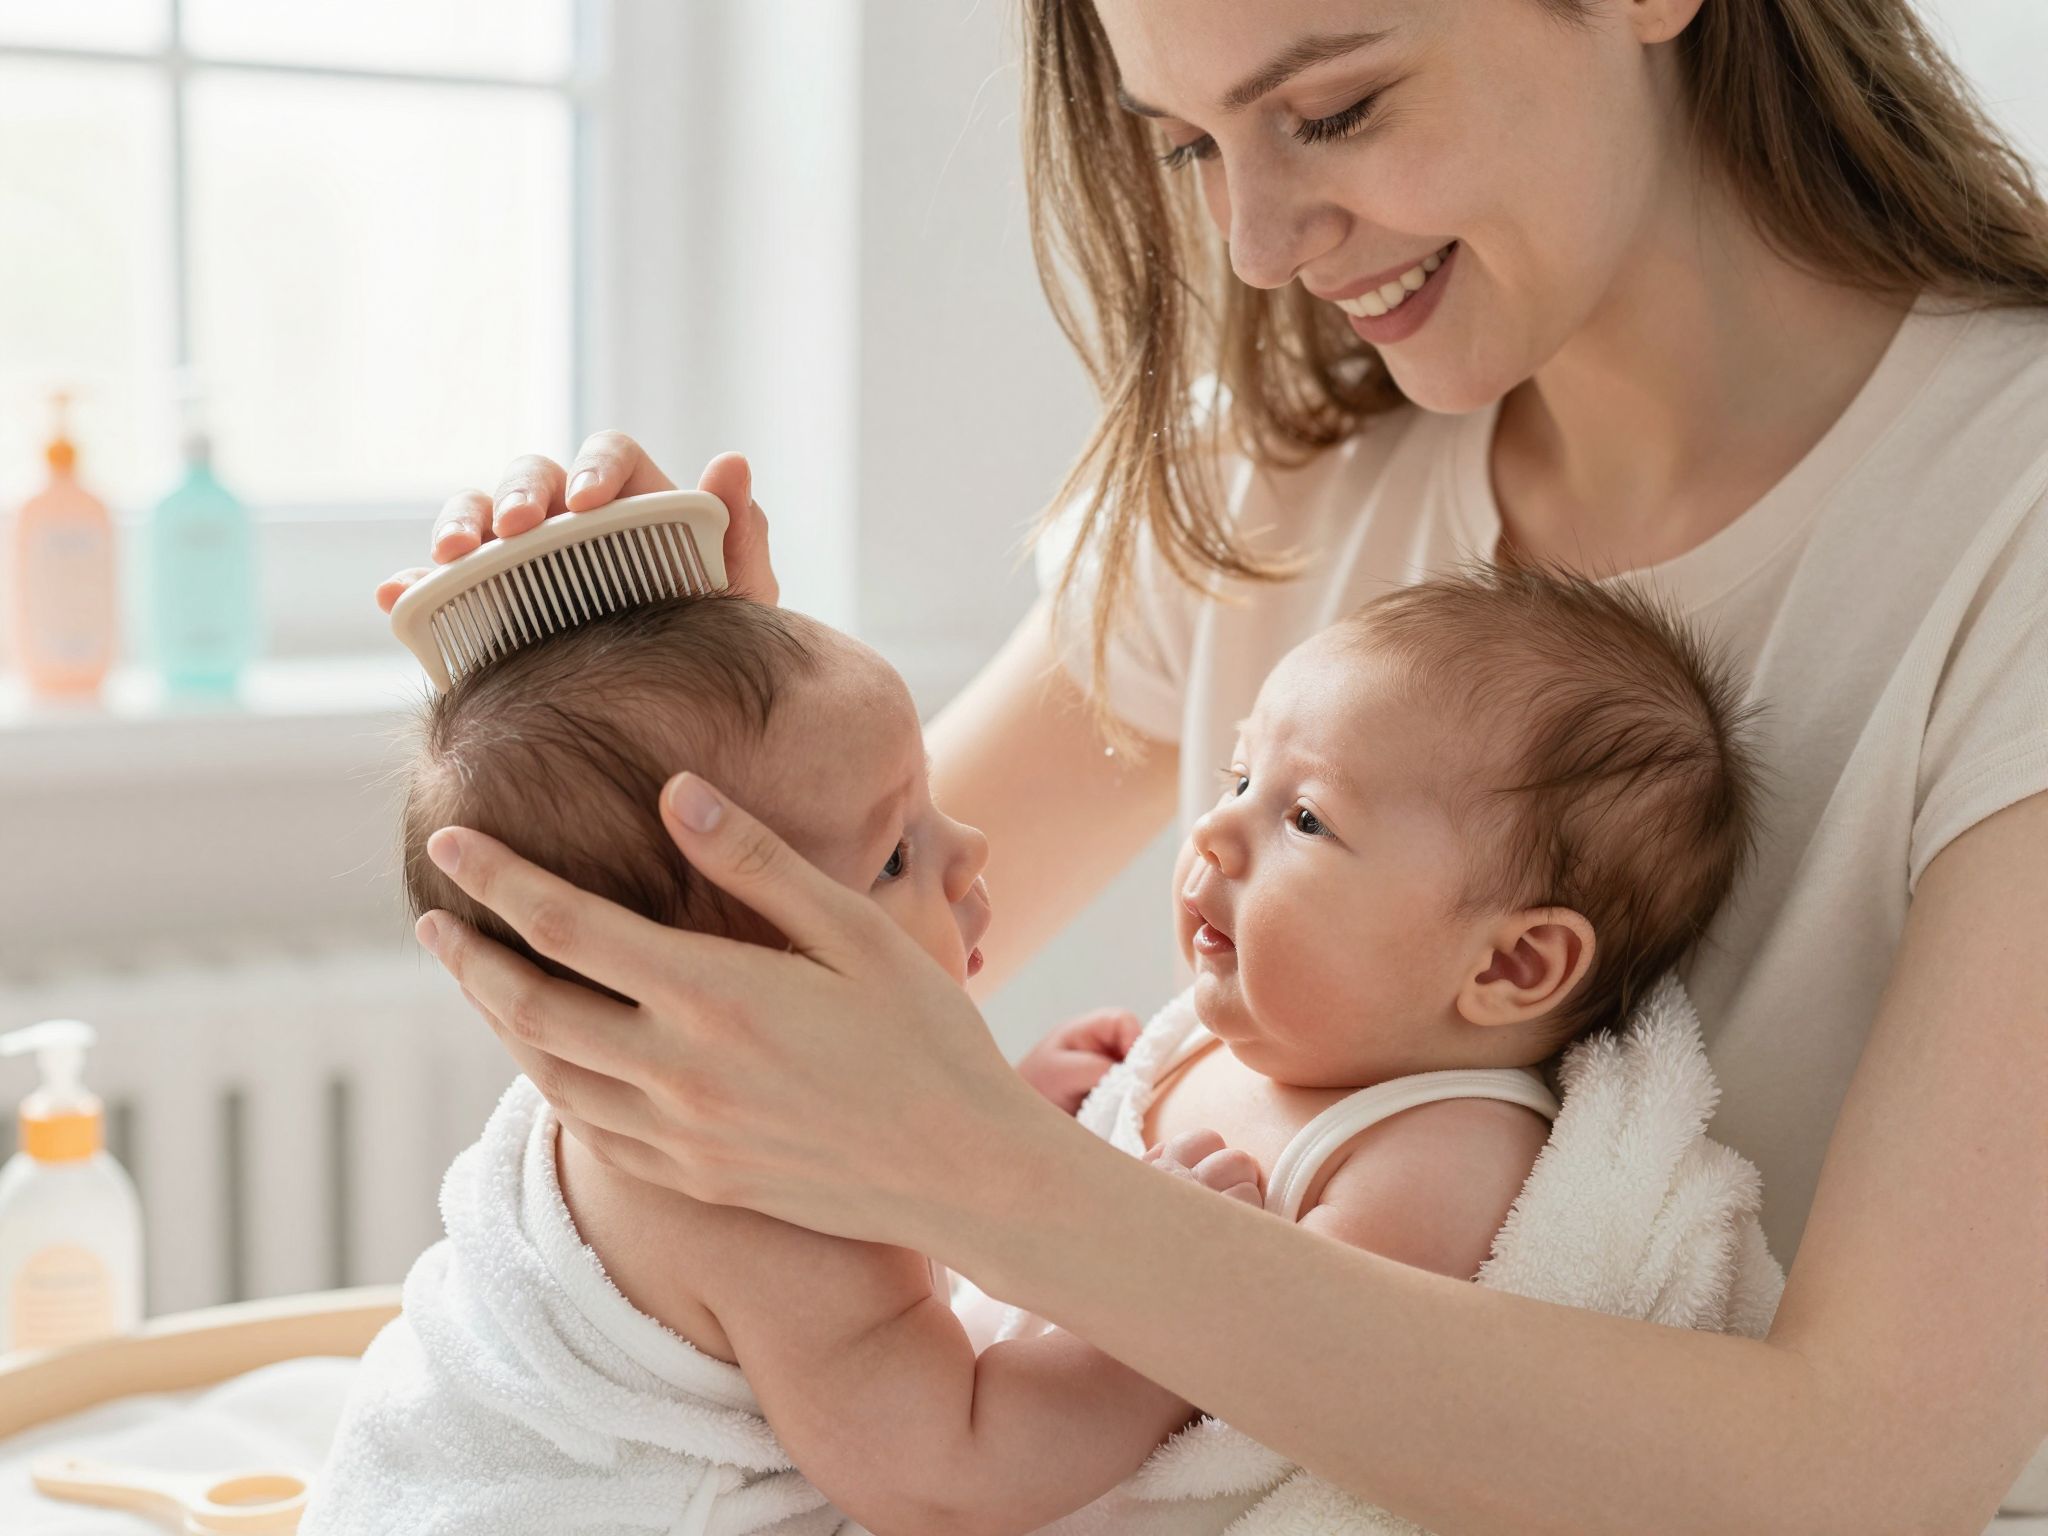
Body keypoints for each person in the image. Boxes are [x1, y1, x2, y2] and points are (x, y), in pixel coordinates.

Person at [381, 0, 2048, 1527]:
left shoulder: (2006, 514)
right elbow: (746, 1042)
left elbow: (1872, 1470)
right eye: (1185, 144)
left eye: (1330, 106)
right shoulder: (1275, 477)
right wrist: (700, 736)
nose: (1251, 244)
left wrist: (1007, 1183)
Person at [313, 594, 1215, 1536]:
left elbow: (919, 1195)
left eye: (927, 797)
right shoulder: (775, 1220)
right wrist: (1159, 1333)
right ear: (711, 988)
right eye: (895, 855)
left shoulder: (651, 1097)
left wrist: (1005, 1108)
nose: (971, 849)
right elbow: (950, 1475)